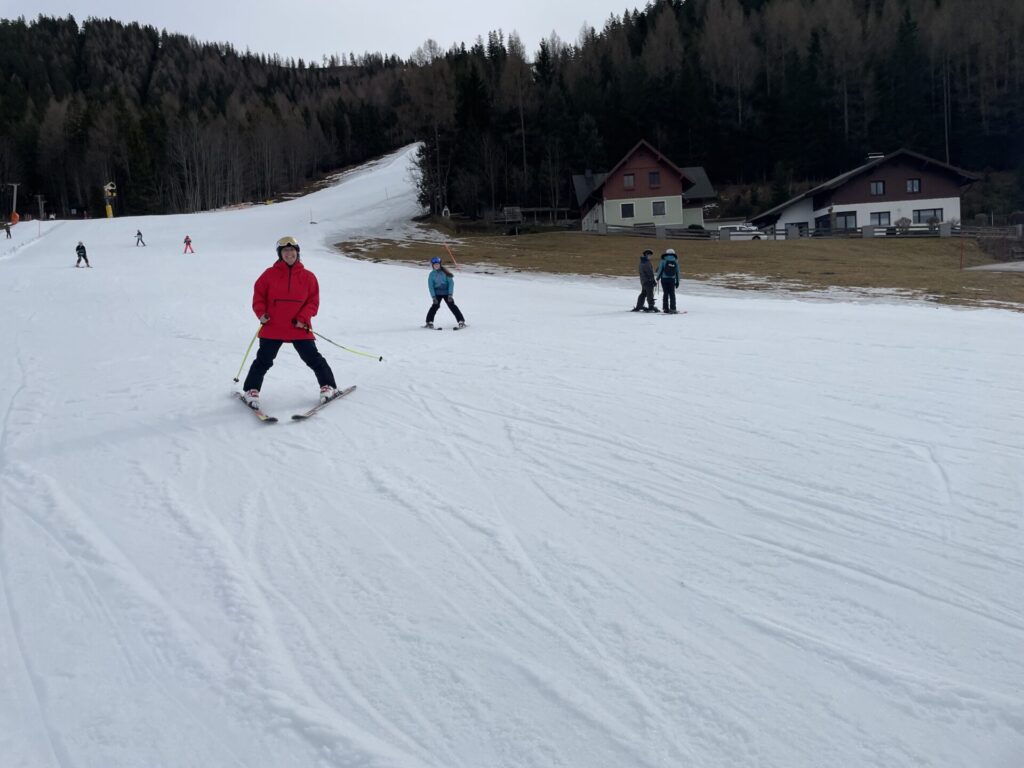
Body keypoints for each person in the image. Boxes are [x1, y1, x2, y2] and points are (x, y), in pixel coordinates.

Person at [240, 236, 337, 410]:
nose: (289, 253)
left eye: (292, 250)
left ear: (297, 252)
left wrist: (302, 319)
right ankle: (251, 390)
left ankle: (328, 386)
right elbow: (259, 297)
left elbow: (313, 302)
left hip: (298, 326)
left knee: (313, 358)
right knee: (263, 360)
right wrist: (261, 313)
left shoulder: (308, 277)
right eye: (285, 250)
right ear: (280, 254)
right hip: (273, 325)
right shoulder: (269, 274)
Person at [424, 256, 466, 329]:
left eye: (437, 264)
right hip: (437, 293)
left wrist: (450, 295)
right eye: (435, 265)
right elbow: (431, 286)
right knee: (435, 306)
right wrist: (433, 297)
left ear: (440, 264)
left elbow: (451, 284)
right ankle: (429, 322)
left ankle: (461, 321)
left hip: (447, 293)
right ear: (432, 266)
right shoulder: (432, 274)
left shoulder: (445, 272)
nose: (436, 266)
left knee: (452, 306)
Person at [655, 248, 680, 313]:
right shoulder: (676, 260)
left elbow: (660, 270)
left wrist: (657, 278)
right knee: (672, 294)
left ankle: (665, 308)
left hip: (664, 279)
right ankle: (673, 308)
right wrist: (677, 281)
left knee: (665, 293)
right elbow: (677, 272)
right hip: (672, 279)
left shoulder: (663, 260)